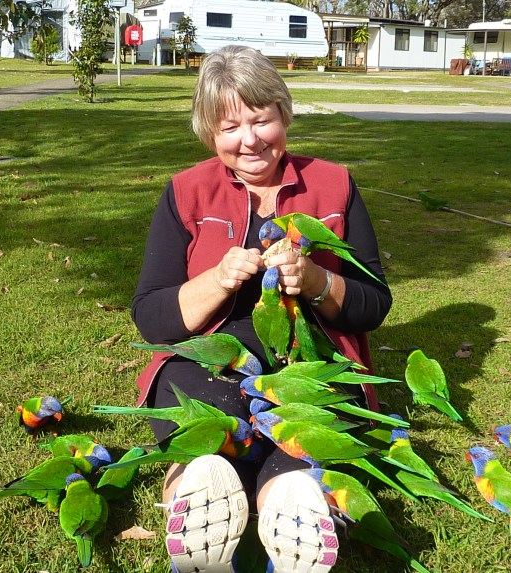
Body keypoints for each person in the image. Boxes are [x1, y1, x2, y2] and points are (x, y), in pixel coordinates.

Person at [131, 45, 392, 573]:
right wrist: (216, 280)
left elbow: (373, 305)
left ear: (284, 114)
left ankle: (292, 504)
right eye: (230, 127)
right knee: (209, 428)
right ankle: (198, 499)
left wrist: (316, 280)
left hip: (314, 363)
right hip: (211, 359)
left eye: (261, 120)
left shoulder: (334, 183)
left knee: (301, 437)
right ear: (210, 134)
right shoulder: (186, 192)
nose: (249, 140)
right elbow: (152, 316)